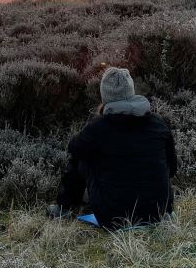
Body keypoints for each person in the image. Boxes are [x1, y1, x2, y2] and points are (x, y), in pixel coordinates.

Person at [48, 67, 177, 229]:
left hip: (114, 218)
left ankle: (64, 208)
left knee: (80, 158)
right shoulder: (157, 123)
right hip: (159, 212)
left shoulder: (97, 129)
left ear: (105, 95)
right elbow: (172, 169)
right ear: (131, 91)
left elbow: (73, 147)